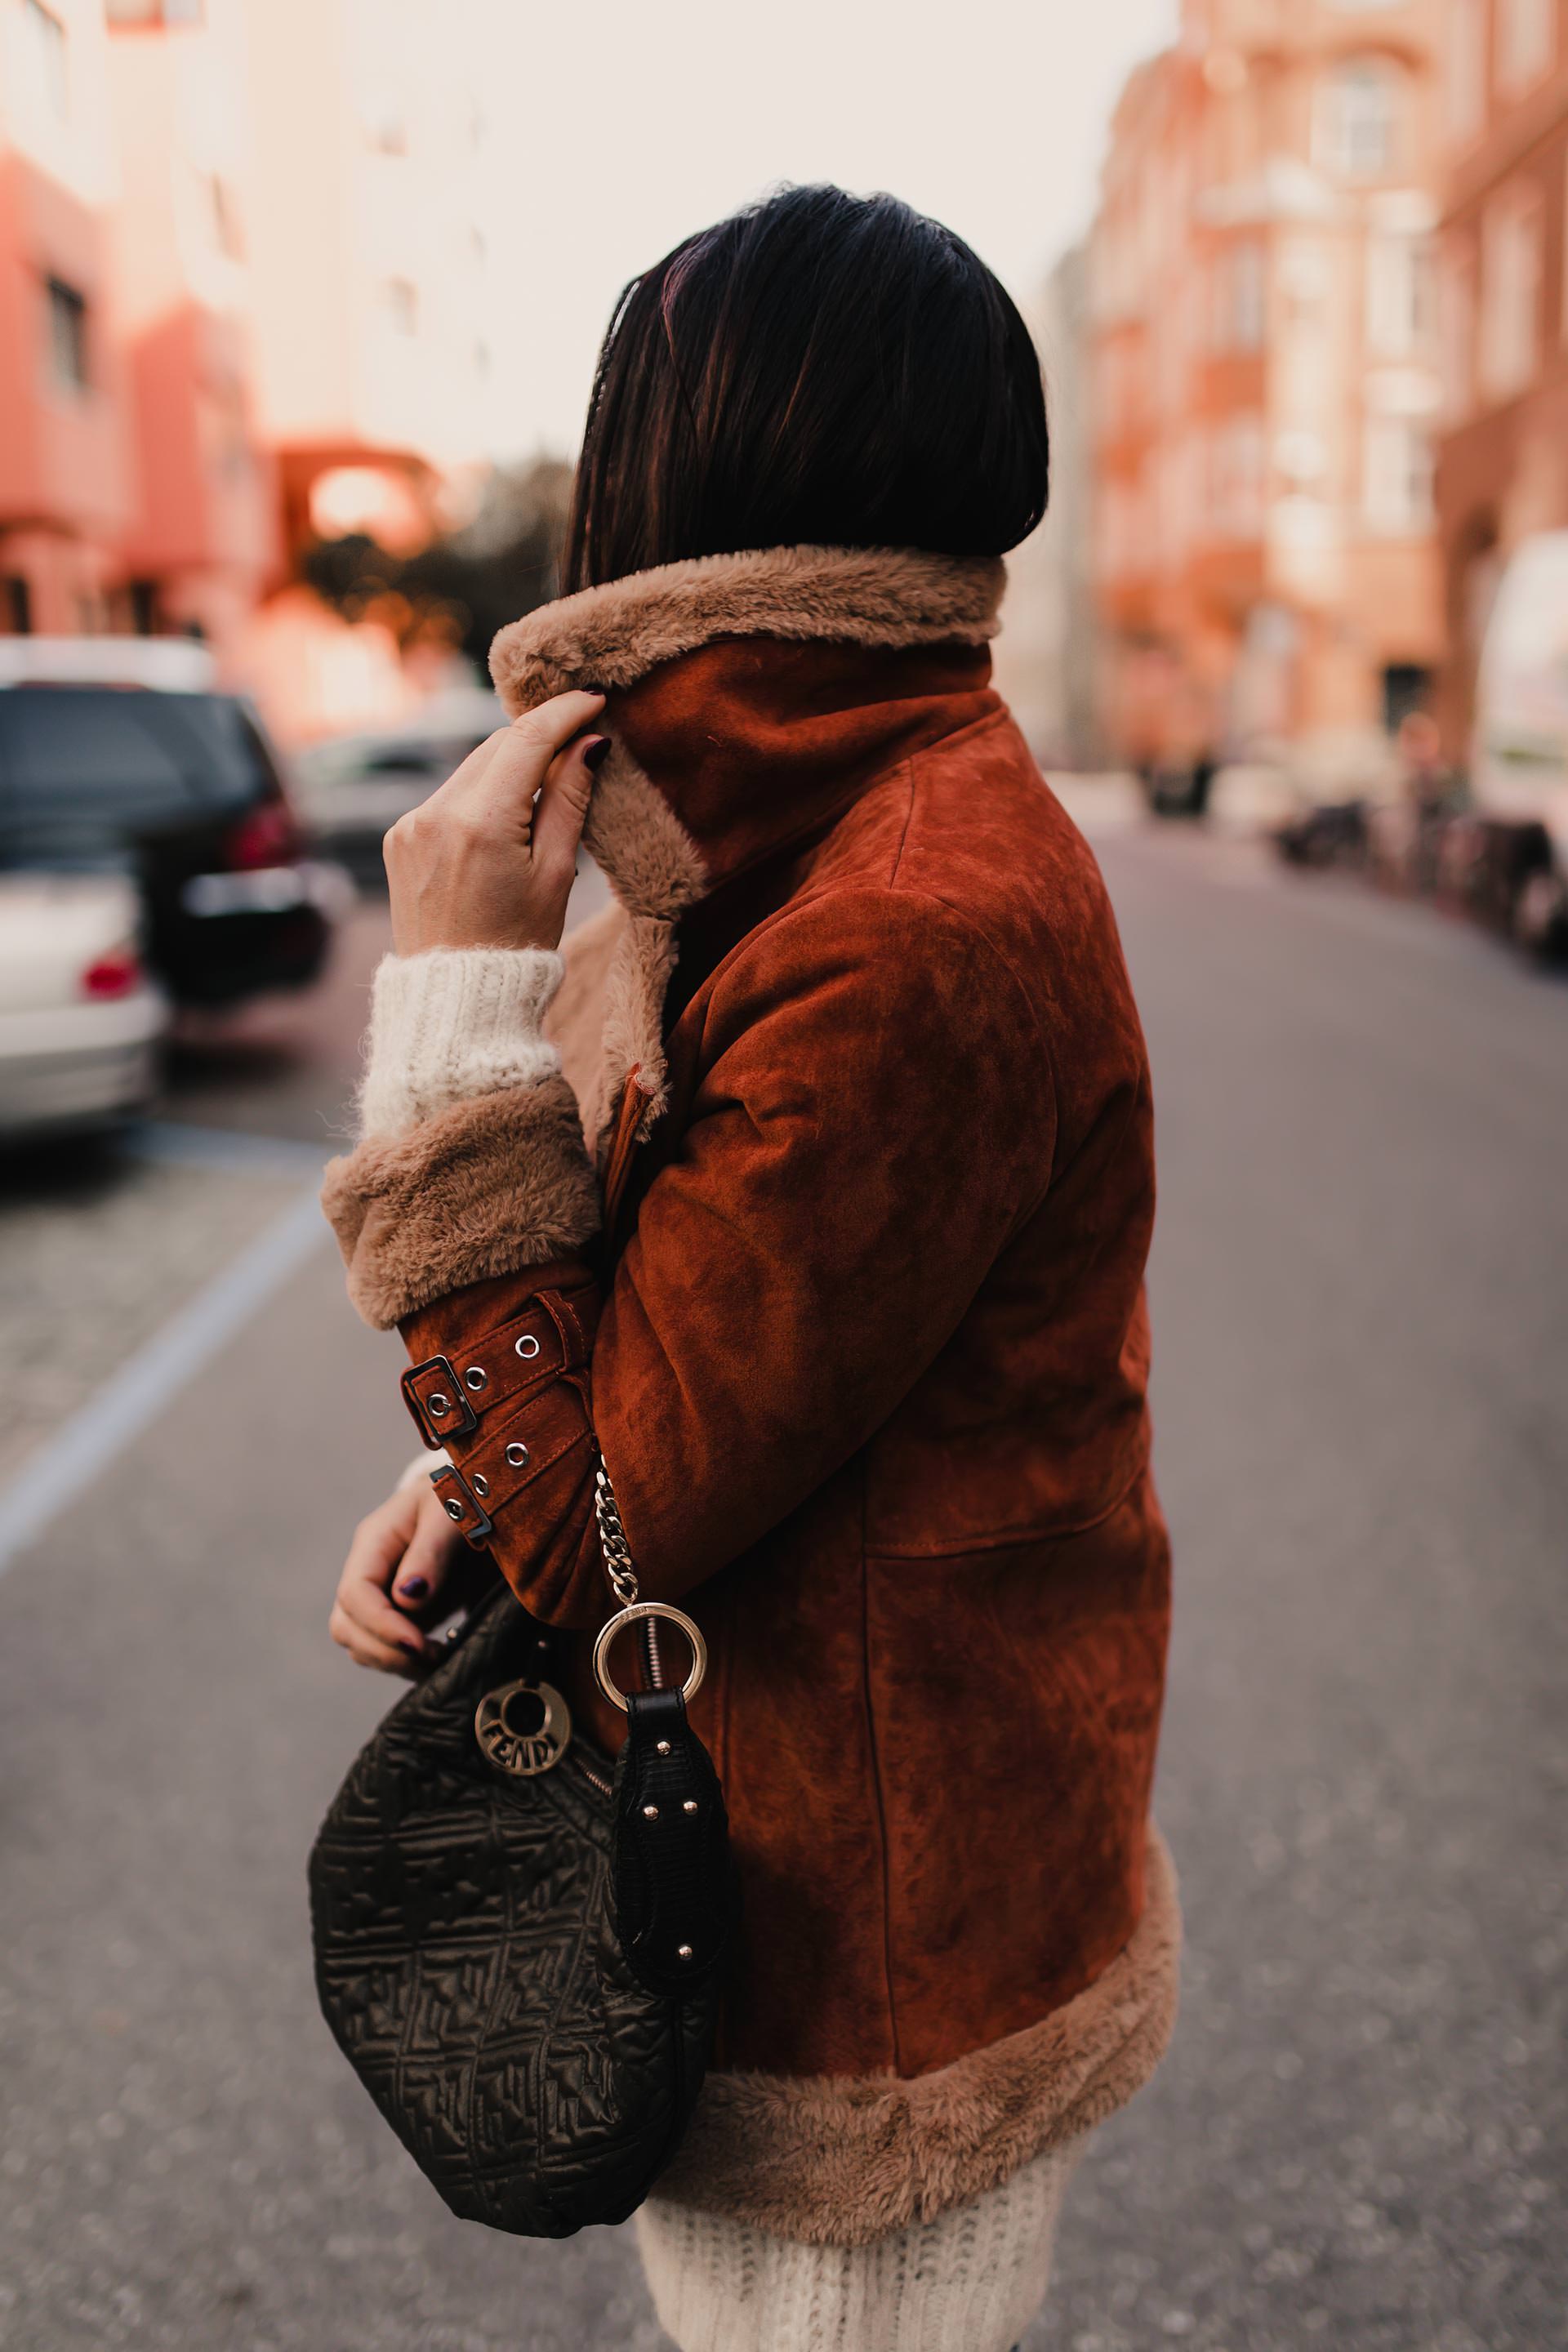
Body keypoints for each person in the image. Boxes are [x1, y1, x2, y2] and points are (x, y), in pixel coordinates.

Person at [323, 184, 1178, 2352]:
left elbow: (614, 1528)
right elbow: (709, 1367)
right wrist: (471, 1479)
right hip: (803, 1866)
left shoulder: (905, 916)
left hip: (866, 1966)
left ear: (670, 480)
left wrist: (451, 1010)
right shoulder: (798, 834)